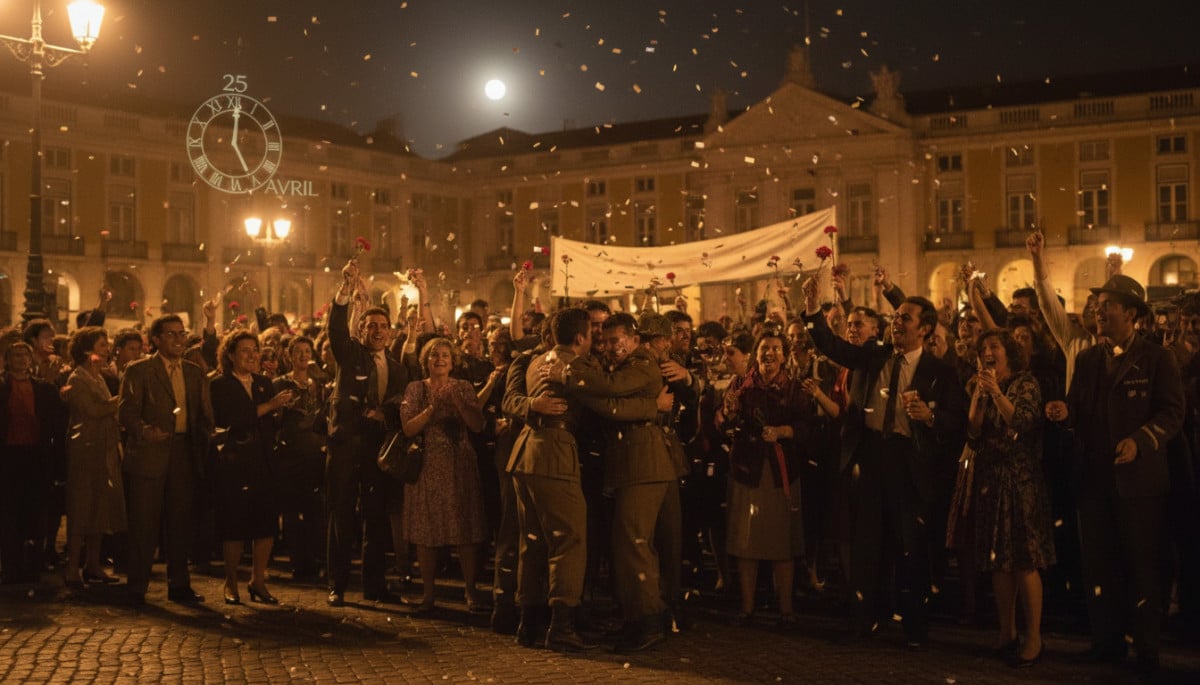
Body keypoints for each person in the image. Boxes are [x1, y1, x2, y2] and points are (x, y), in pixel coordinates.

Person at [802, 278, 967, 649]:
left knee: (910, 545)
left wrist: (930, 415)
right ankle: (863, 620)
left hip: (909, 461)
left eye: (905, 318)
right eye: (896, 316)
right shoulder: (873, 354)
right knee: (866, 545)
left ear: (924, 329)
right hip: (871, 456)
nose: (897, 322)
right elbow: (831, 345)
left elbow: (956, 419)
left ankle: (914, 627)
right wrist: (813, 309)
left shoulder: (940, 372)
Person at [1053, 274, 1184, 674]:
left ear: (1131, 314)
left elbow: (1172, 412)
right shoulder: (1089, 358)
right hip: (1093, 481)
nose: (1098, 311)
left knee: (1141, 565)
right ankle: (1105, 641)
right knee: (1099, 564)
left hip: (1139, 484)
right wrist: (1064, 412)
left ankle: (1146, 648)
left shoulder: (1157, 358)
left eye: (1107, 304)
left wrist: (1140, 441)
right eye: (1096, 305)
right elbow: (1078, 406)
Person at [325, 259, 411, 606]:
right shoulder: (349, 354)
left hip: (378, 451)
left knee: (375, 520)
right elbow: (335, 329)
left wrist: (384, 411)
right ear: (361, 330)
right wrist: (345, 291)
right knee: (341, 517)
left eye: (382, 325)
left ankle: (375, 585)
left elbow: (400, 402)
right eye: (371, 325)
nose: (377, 330)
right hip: (346, 447)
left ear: (390, 331)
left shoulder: (398, 368)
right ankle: (337, 585)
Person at [967, 329, 1055, 667]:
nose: (988, 352)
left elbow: (1020, 422)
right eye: (983, 348)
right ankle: (1007, 632)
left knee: (1023, 559)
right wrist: (978, 397)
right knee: (998, 562)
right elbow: (973, 433)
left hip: (1020, 481)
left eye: (994, 346)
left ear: (1009, 352)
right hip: (991, 480)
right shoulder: (982, 385)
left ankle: (1034, 637)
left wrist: (996, 394)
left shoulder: (1025, 384)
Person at [721, 329, 813, 626]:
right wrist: (728, 411)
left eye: (775, 348)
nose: (769, 353)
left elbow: (807, 426)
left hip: (780, 472)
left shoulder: (794, 388)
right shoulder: (741, 385)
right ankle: (747, 607)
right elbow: (725, 422)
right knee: (745, 542)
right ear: (755, 354)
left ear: (784, 356)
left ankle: (785, 609)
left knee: (781, 543)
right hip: (748, 470)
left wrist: (782, 432)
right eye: (764, 348)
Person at [118, 314, 213, 605]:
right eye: (171, 334)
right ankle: (137, 586)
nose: (178, 339)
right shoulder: (140, 370)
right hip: (150, 453)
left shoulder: (194, 372)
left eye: (181, 333)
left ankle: (179, 583)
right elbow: (126, 412)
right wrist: (145, 431)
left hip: (183, 452)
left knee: (180, 522)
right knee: (144, 522)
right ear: (156, 340)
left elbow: (202, 414)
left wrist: (207, 437)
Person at [399, 337, 488, 613]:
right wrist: (433, 409)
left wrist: (460, 405)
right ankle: (428, 594)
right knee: (427, 531)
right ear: (426, 361)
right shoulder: (415, 388)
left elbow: (478, 425)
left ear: (453, 361)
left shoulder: (463, 387)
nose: (440, 359)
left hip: (459, 465)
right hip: (427, 466)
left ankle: (470, 592)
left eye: (445, 356)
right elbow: (408, 429)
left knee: (465, 529)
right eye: (434, 355)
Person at [209, 331, 295, 605]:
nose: (251, 355)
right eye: (244, 350)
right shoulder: (220, 385)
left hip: (264, 462)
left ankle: (258, 580)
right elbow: (232, 419)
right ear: (230, 355)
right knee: (235, 524)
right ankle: (231, 581)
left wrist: (281, 411)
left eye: (255, 349)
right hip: (235, 462)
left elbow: (271, 421)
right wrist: (270, 405)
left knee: (265, 524)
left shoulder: (263, 383)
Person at [62, 327, 127, 587]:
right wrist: (123, 399)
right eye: (102, 345)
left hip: (104, 446)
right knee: (82, 506)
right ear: (88, 350)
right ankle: (72, 567)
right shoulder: (77, 378)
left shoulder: (98, 377)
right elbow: (92, 410)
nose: (107, 349)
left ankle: (92, 563)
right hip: (85, 450)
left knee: (101, 506)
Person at [0, 342, 65, 585]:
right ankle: (11, 565)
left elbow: (56, 424)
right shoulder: (2, 387)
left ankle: (31, 565)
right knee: (8, 514)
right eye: (15, 355)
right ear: (8, 360)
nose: (20, 359)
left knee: (34, 513)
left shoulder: (44, 388)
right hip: (8, 456)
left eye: (24, 355)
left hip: (36, 457)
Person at [273, 336, 327, 581]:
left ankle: (316, 558)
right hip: (289, 452)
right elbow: (275, 418)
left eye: (307, 351)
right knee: (292, 510)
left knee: (315, 508)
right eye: (298, 352)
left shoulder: (320, 383)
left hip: (315, 451)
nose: (304, 356)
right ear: (290, 356)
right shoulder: (280, 384)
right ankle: (298, 561)